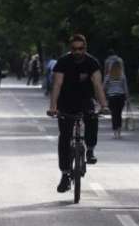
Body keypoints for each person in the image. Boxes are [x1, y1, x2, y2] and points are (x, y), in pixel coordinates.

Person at [47, 34, 109, 193]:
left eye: (80, 48)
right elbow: (57, 84)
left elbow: (97, 85)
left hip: (85, 101)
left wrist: (104, 105)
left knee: (92, 118)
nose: (77, 52)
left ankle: (90, 149)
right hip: (66, 103)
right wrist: (53, 107)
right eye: (74, 49)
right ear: (70, 49)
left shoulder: (92, 62)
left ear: (85, 48)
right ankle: (65, 174)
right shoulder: (63, 62)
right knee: (64, 137)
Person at [104, 60, 129, 139]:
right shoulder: (122, 76)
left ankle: (115, 133)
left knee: (114, 115)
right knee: (119, 114)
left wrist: (106, 91)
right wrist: (127, 98)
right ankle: (119, 133)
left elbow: (103, 87)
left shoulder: (108, 76)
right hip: (120, 97)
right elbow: (125, 88)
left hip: (111, 97)